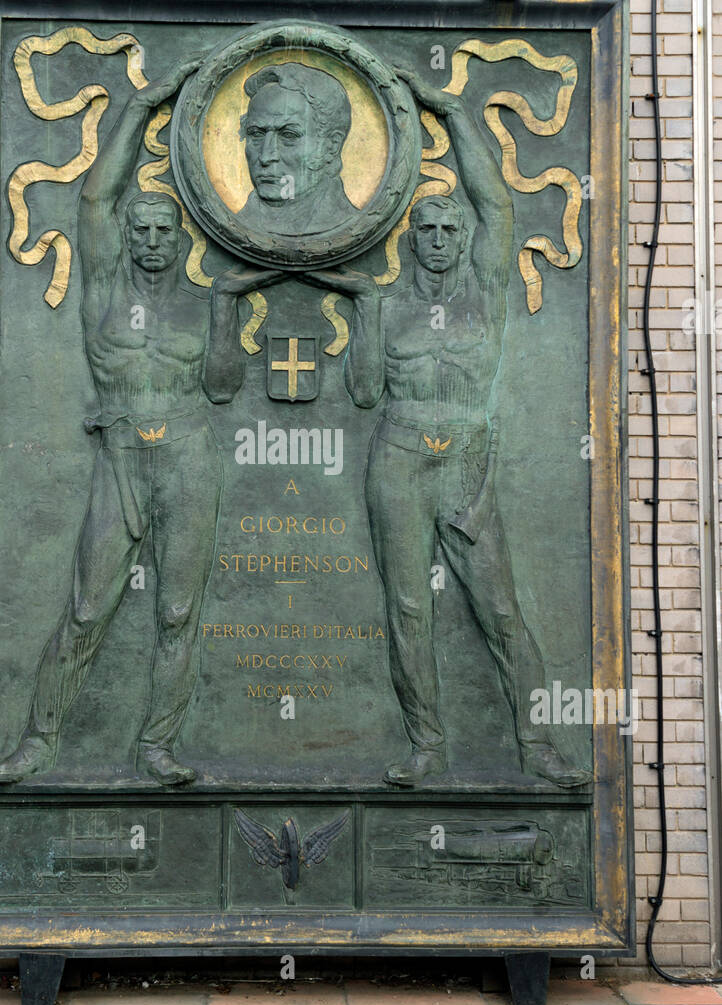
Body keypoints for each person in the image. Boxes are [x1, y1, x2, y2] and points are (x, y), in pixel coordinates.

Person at [311, 71, 590, 789]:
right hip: (399, 457)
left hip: (465, 457)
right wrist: (365, 318)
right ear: (413, 242)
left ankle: (538, 746)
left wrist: (452, 111)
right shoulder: (389, 302)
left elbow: (497, 202)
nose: (436, 238)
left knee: (498, 606)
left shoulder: (484, 292)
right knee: (408, 607)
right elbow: (366, 392)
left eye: (447, 229)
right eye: (425, 230)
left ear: (464, 241)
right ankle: (426, 747)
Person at [0, 58, 230, 787]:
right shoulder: (102, 291)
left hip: (188, 452)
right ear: (128, 237)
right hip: (122, 456)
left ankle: (156, 746)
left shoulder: (200, 300)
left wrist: (224, 317)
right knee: (89, 607)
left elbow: (222, 387)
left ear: (181, 239)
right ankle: (38, 740)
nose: (153, 239)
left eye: (165, 230)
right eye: (143, 229)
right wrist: (145, 104)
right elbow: (96, 197)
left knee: (178, 611)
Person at [236, 62, 359, 235]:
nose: (266, 156)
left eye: (289, 135)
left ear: (331, 146)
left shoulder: (350, 224)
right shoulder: (238, 222)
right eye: (256, 134)